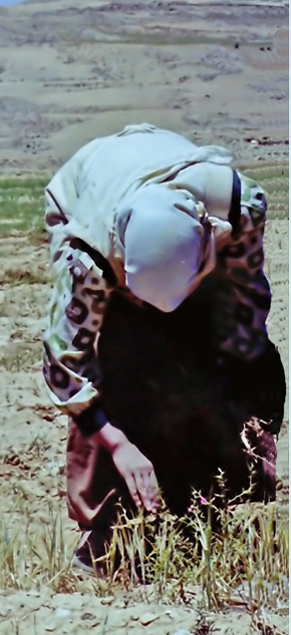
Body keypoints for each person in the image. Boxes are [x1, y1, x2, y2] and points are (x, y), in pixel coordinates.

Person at [42, 124, 285, 574]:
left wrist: (236, 398)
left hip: (182, 227)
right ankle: (104, 535)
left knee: (206, 349)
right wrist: (117, 444)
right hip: (85, 196)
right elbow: (66, 367)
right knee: (120, 354)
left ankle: (203, 499)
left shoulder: (239, 207)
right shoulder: (88, 257)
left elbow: (246, 308)